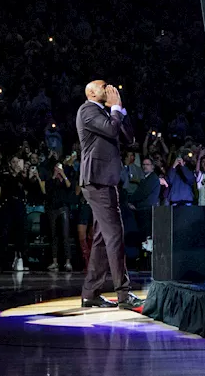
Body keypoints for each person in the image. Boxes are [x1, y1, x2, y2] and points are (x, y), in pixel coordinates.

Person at [76, 80, 142, 309]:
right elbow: (112, 129)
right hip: (97, 179)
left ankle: (90, 293)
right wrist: (114, 110)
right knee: (115, 234)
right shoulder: (87, 111)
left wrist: (120, 109)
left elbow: (129, 139)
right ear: (92, 92)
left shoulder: (106, 113)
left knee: (103, 238)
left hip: (106, 180)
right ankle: (123, 294)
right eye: (104, 86)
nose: (110, 88)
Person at [43, 153, 78, 272]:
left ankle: (68, 262)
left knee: (65, 235)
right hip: (52, 209)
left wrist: (63, 174)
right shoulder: (51, 179)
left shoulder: (65, 178)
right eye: (56, 167)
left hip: (63, 208)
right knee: (54, 236)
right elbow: (48, 190)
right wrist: (54, 175)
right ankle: (54, 262)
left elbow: (69, 186)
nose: (58, 169)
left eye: (60, 167)